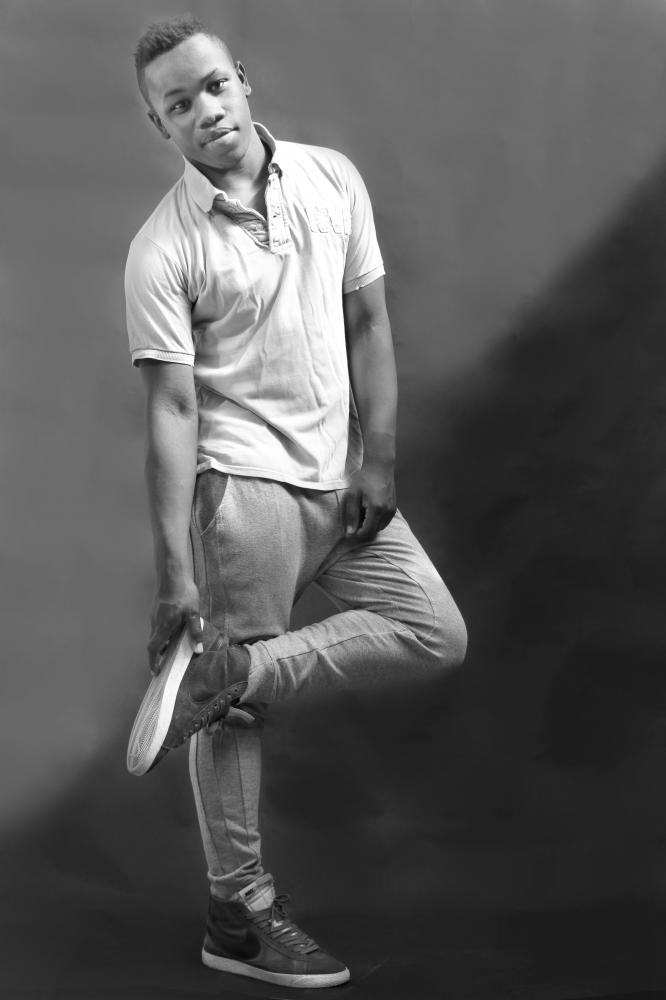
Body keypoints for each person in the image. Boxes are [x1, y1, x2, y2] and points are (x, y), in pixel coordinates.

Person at [124, 14, 467, 990]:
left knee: (434, 631)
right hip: (245, 495)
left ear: (243, 80)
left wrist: (379, 458)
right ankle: (237, 915)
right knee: (235, 723)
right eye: (178, 104)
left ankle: (235, 669)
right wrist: (177, 574)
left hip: (344, 481)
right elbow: (172, 410)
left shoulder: (331, 179)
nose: (204, 110)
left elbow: (368, 320)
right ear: (161, 126)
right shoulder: (162, 249)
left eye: (212, 86)